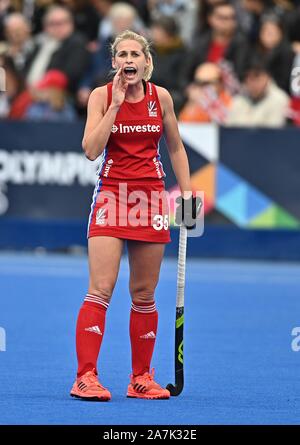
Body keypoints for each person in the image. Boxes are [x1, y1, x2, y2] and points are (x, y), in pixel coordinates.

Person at [70, 30, 200, 401]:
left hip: (152, 200)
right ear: (114, 62)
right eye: (122, 54)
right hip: (112, 195)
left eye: (135, 54)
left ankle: (141, 377)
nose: (129, 60)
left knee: (144, 293)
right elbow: (91, 150)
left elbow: (175, 148)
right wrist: (114, 105)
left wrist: (188, 194)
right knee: (101, 289)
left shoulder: (161, 97)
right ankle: (86, 376)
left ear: (146, 62)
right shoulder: (100, 96)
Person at [226, 58, 289, 127]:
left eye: (257, 77)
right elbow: (230, 130)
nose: (253, 83)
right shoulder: (237, 101)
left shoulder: (280, 99)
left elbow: (273, 132)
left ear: (268, 78)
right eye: (249, 78)